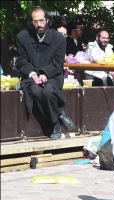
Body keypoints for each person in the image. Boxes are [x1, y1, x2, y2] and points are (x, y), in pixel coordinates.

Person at [15, 6, 74, 139]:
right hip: (31, 77)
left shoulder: (58, 38)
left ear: (47, 20)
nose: (39, 24)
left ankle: (55, 121)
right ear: (31, 22)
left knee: (48, 90)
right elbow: (21, 61)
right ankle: (57, 119)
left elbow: (58, 62)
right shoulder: (22, 37)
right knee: (35, 91)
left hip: (52, 75)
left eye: (41, 20)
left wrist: (45, 74)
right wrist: (34, 75)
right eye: (35, 21)